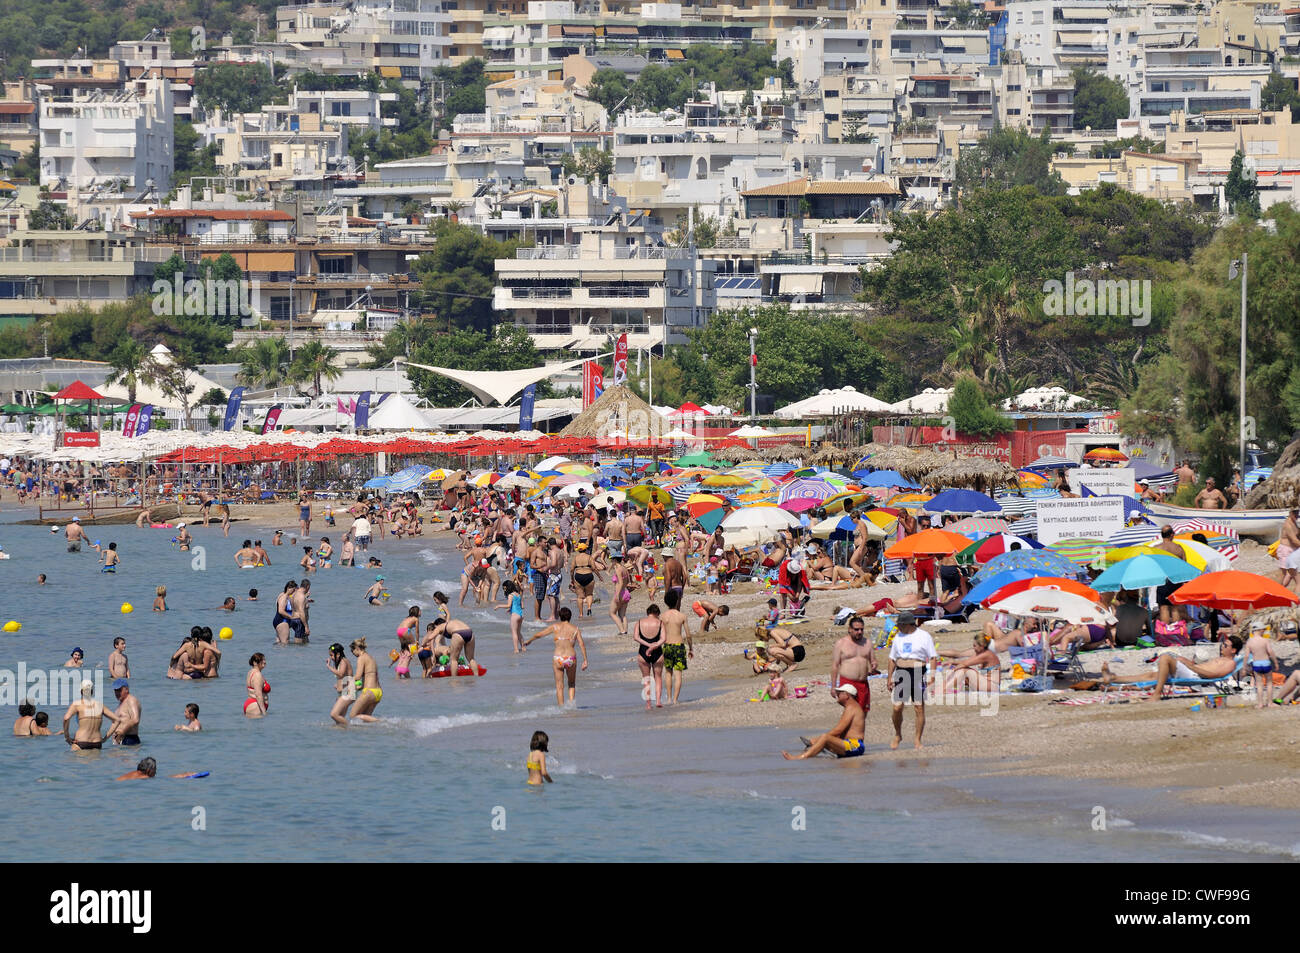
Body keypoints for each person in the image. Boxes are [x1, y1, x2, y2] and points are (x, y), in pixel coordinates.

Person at [1100, 635, 1242, 699]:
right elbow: (1203, 668)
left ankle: (1157, 694)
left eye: (1225, 645)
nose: (1222, 645)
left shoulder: (1230, 663)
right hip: (1191, 671)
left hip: (1195, 675)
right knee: (1152, 676)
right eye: (1223, 643)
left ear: (1234, 650)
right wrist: (1188, 662)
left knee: (1165, 657)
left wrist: (1189, 665)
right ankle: (1113, 678)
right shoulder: (1220, 658)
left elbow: (1210, 676)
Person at [888, 610, 936, 750]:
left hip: (917, 671)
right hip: (901, 671)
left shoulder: (923, 636)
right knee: (897, 707)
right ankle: (898, 734)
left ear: (909, 624)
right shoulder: (898, 637)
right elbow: (892, 658)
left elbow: (933, 657)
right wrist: (890, 677)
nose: (899, 627)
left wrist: (932, 676)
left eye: (901, 625)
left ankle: (917, 739)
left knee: (919, 707)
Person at [781, 685, 866, 760]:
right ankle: (813, 752)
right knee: (821, 743)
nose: (837, 695)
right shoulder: (851, 707)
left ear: (846, 695)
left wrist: (816, 740)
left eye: (839, 693)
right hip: (847, 744)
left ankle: (800, 757)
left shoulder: (851, 708)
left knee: (825, 737)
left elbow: (838, 730)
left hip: (856, 746)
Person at [525, 607, 588, 707]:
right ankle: (571, 706)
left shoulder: (555, 627)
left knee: (559, 686)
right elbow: (581, 644)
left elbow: (539, 635)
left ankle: (561, 709)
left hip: (558, 658)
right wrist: (585, 660)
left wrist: (529, 640)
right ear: (570, 617)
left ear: (560, 617)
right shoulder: (575, 629)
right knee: (571, 684)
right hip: (570, 659)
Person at [830, 615, 876, 712]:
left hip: (863, 684)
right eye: (856, 629)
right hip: (847, 683)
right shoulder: (841, 643)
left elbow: (873, 661)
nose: (859, 632)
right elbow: (835, 665)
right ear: (850, 629)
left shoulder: (867, 643)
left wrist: (874, 665)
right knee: (851, 713)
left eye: (861, 629)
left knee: (862, 714)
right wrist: (833, 686)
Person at [660, 590, 693, 704]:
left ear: (666, 602)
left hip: (667, 645)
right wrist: (691, 648)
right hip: (679, 646)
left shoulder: (662, 616)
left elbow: (659, 633)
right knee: (678, 674)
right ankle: (675, 700)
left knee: (668, 673)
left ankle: (668, 698)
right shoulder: (682, 616)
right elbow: (688, 635)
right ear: (677, 601)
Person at [62, 681, 116, 749]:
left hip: (81, 741)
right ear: (92, 691)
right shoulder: (100, 705)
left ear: (81, 691)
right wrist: (105, 738)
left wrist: (67, 737)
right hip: (97, 743)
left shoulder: (77, 704)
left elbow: (66, 718)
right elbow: (117, 720)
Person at [633, 604, 666, 710]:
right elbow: (663, 639)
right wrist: (654, 645)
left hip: (643, 652)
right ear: (657, 613)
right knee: (658, 677)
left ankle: (648, 704)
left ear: (648, 612)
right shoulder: (660, 623)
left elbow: (636, 637)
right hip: (658, 652)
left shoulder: (639, 622)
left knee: (646, 679)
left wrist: (648, 646)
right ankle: (658, 701)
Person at [1243, 620, 1279, 708]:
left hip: (1256, 664)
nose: (1264, 631)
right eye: (1263, 630)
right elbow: (1270, 652)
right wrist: (1276, 662)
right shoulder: (1265, 640)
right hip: (1266, 662)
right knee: (1269, 683)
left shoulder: (1249, 642)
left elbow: (1246, 656)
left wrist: (1244, 667)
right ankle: (1270, 703)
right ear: (1260, 630)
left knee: (1259, 684)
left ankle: (1260, 704)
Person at [350, 638, 382, 722]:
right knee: (366, 720)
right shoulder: (371, 658)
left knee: (353, 715)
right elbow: (368, 679)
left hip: (370, 691)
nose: (353, 654)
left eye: (352, 651)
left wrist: (345, 682)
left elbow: (357, 676)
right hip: (378, 692)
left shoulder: (361, 658)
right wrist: (357, 688)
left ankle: (381, 722)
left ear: (357, 649)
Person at [327, 642, 355, 727]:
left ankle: (351, 728)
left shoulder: (343, 661)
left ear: (338, 654)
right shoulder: (340, 662)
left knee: (334, 714)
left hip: (348, 692)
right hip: (343, 692)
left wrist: (329, 667)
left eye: (332, 655)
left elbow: (341, 674)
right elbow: (344, 677)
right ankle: (344, 734)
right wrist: (338, 685)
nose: (331, 658)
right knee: (339, 720)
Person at [495, 580, 526, 653]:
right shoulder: (518, 594)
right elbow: (522, 606)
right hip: (521, 615)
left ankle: (516, 649)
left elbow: (508, 605)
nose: (504, 590)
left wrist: (499, 606)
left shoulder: (510, 595)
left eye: (504, 588)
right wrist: (510, 609)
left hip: (515, 615)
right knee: (519, 632)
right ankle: (523, 647)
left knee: (514, 632)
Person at [107, 678, 141, 745]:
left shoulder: (131, 700)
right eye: (115, 690)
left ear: (126, 689)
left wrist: (122, 732)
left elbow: (135, 720)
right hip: (121, 740)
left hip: (129, 739)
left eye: (119, 690)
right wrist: (105, 738)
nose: (117, 693)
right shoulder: (121, 703)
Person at [1277, 510, 1300, 593]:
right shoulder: (1288, 524)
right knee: (1284, 574)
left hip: (1293, 551)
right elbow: (1294, 540)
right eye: (1295, 513)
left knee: (1290, 575)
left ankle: (1280, 592)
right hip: (1285, 550)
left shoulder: (1294, 523)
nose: (1297, 515)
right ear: (1290, 513)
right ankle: (1278, 592)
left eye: (1298, 513)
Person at [244, 654, 269, 718]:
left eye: (264, 659)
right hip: (256, 705)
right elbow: (258, 694)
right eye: (262, 660)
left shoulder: (250, 672)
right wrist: (264, 712)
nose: (264, 662)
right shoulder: (257, 675)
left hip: (251, 703)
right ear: (255, 663)